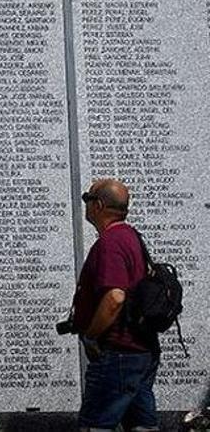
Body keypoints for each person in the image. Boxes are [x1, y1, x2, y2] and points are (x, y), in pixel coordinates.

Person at [71, 178, 161, 432]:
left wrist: (91, 336)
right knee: (142, 426)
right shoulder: (131, 236)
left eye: (87, 199)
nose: (86, 205)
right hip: (141, 350)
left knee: (96, 426)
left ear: (98, 205)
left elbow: (115, 297)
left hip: (118, 352)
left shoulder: (110, 243)